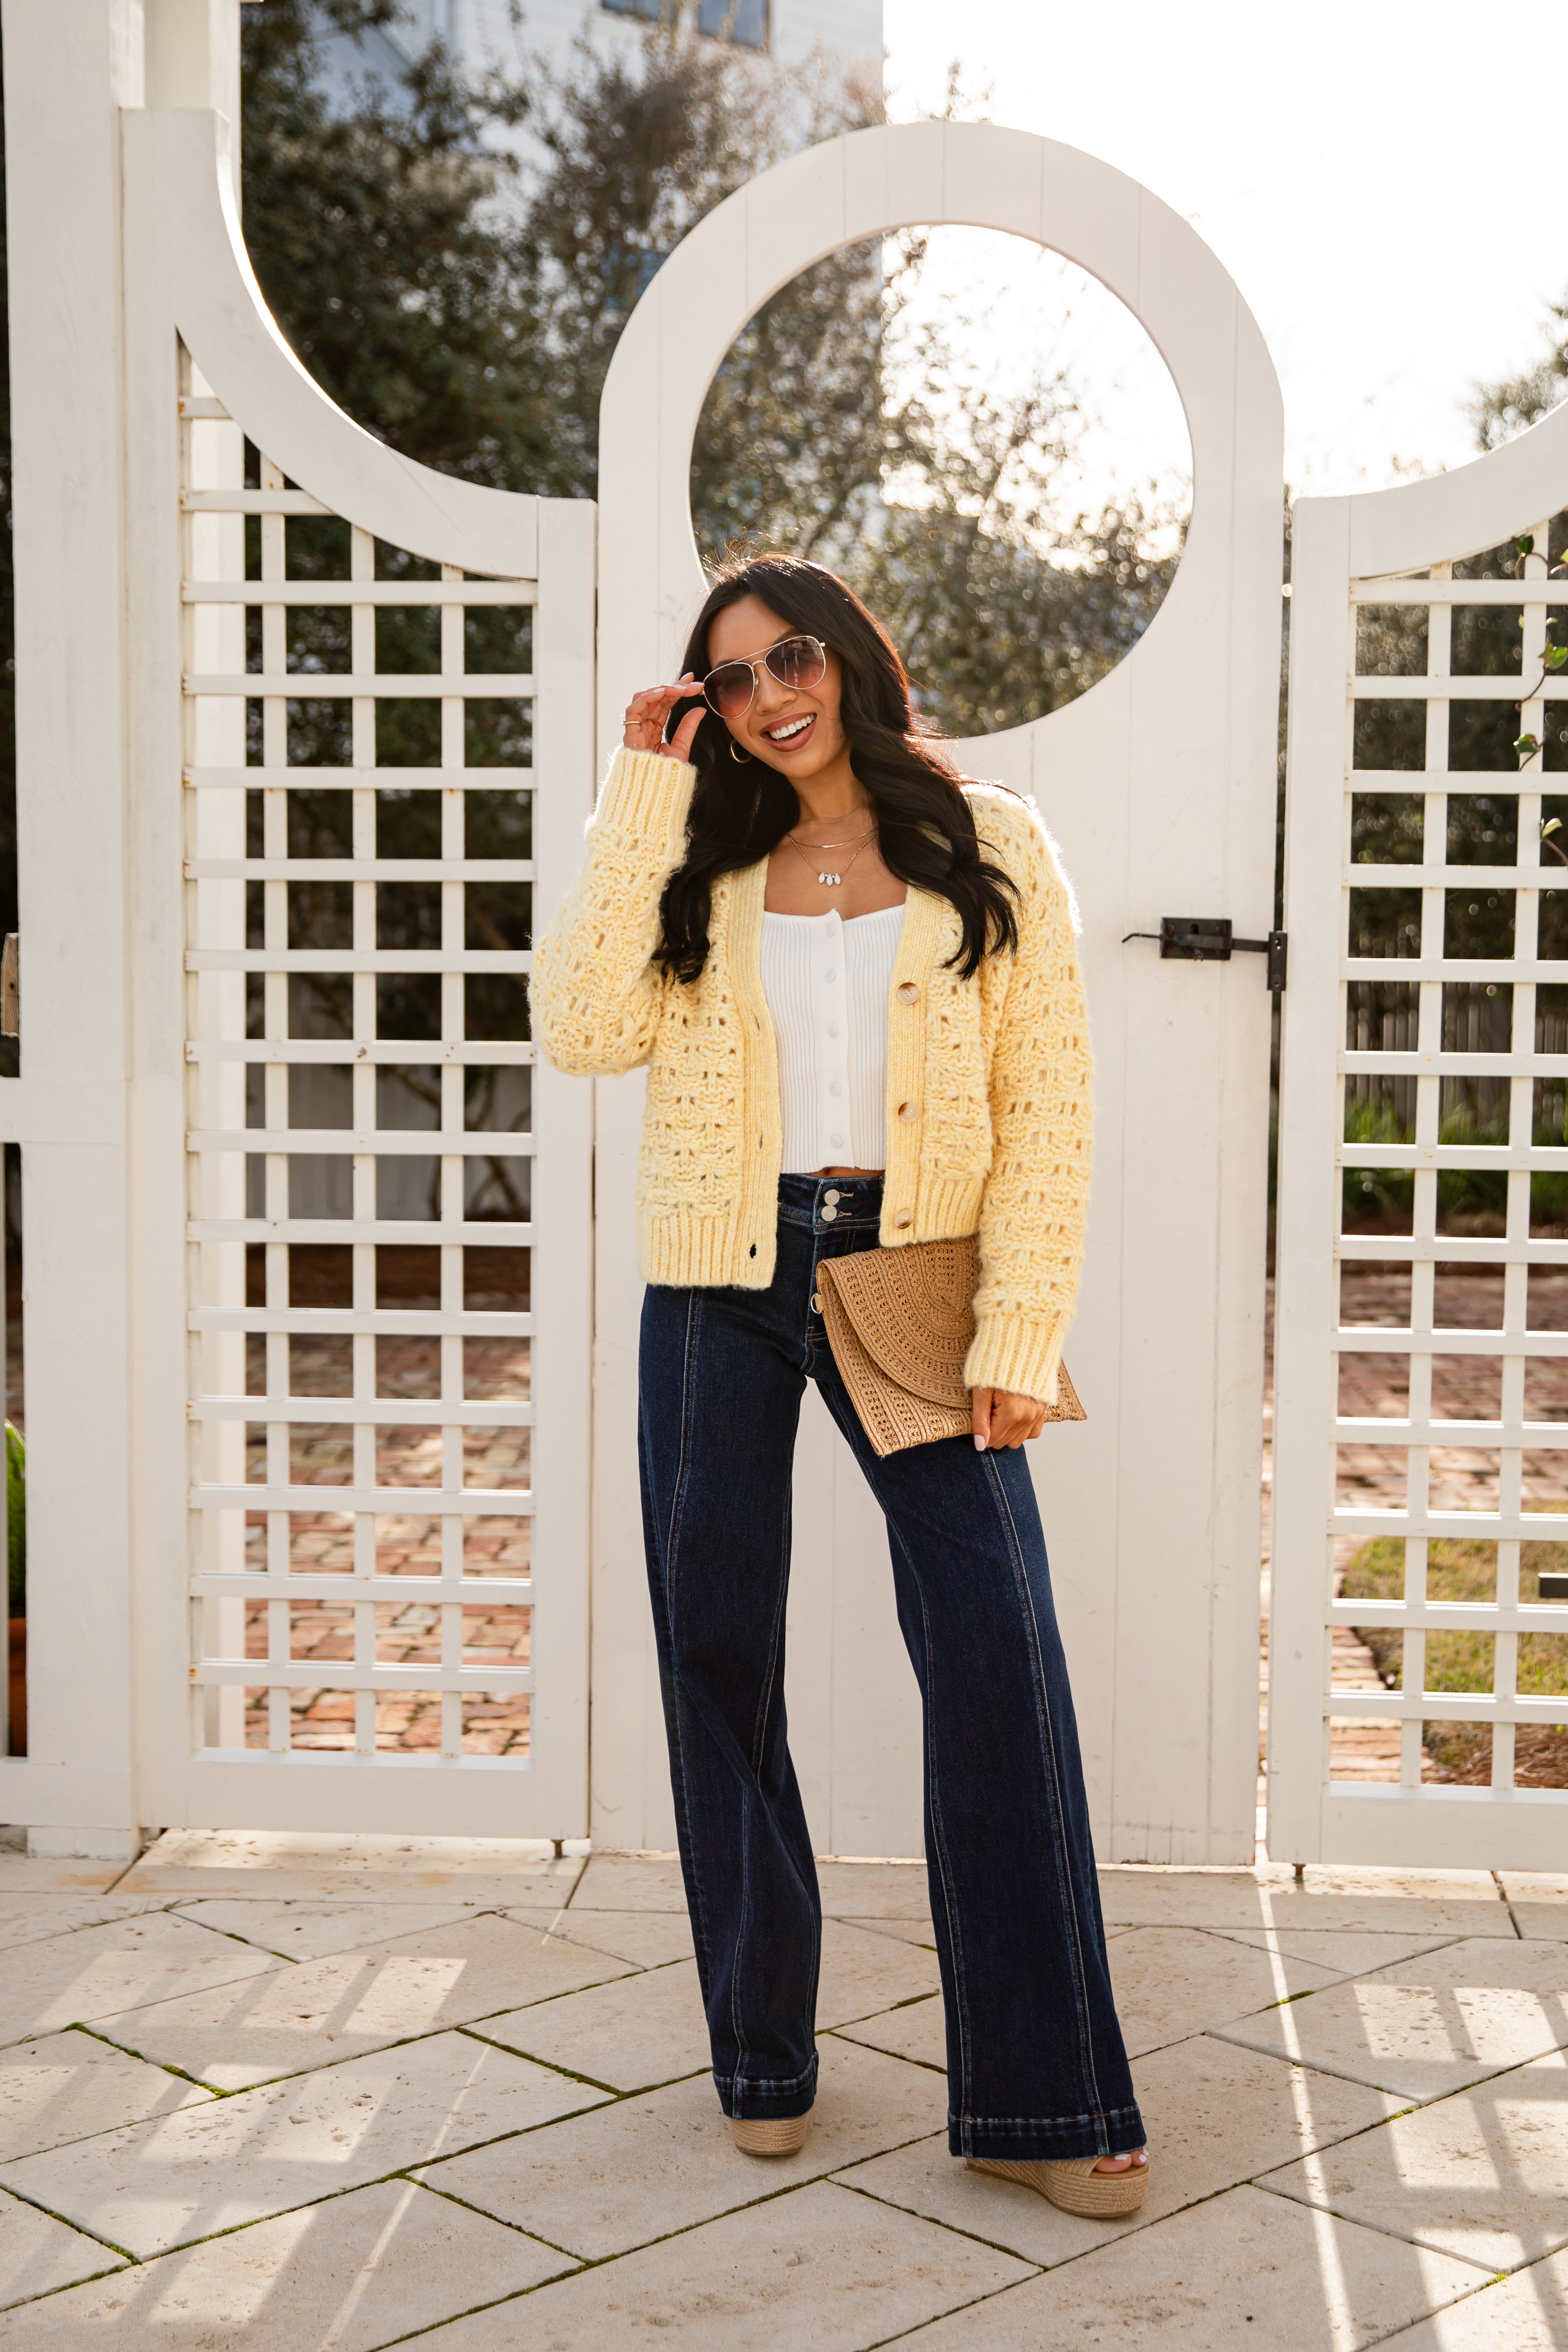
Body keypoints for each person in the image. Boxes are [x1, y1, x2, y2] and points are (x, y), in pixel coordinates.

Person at [533, 553, 1148, 2217]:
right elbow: (582, 1029)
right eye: (725, 680)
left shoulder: (988, 844)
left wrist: (1016, 1336)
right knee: (715, 1652)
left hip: (911, 1271)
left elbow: (1050, 1111)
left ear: (848, 657)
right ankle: (763, 2054)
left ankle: (1051, 2094)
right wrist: (638, 794)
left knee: (995, 1655)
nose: (763, 695)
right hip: (716, 1280)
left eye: (786, 655)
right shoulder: (696, 854)